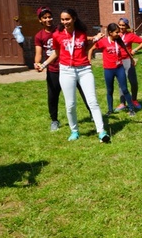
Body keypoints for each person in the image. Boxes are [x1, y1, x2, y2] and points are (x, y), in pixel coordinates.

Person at [41, 8, 109, 142]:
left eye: (67, 19)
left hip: (84, 70)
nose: (65, 22)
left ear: (74, 19)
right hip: (66, 71)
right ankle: (74, 131)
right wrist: (44, 65)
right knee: (70, 104)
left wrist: (95, 40)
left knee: (93, 101)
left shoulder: (81, 33)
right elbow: (56, 52)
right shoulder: (57, 35)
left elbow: (87, 46)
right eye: (62, 19)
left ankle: (101, 132)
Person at [33, 6, 92, 131]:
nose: (48, 19)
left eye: (50, 17)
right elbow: (38, 54)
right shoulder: (39, 36)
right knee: (53, 95)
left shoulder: (62, 28)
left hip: (71, 68)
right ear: (40, 20)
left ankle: (92, 114)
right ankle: (54, 120)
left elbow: (79, 38)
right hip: (54, 69)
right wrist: (37, 63)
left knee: (84, 91)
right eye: (45, 18)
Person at [88, 23, 137, 117]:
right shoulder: (103, 42)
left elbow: (126, 51)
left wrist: (131, 59)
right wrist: (89, 60)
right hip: (108, 70)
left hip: (119, 68)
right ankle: (110, 110)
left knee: (125, 89)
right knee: (110, 90)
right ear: (110, 33)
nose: (118, 34)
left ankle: (131, 109)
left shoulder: (119, 41)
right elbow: (91, 49)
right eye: (116, 32)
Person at [115, 18, 142, 111]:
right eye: (120, 25)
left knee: (133, 82)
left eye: (123, 25)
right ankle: (122, 103)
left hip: (128, 60)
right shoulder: (115, 35)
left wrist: (134, 50)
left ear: (127, 26)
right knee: (121, 83)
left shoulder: (130, 35)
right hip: (118, 61)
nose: (121, 27)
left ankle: (134, 100)